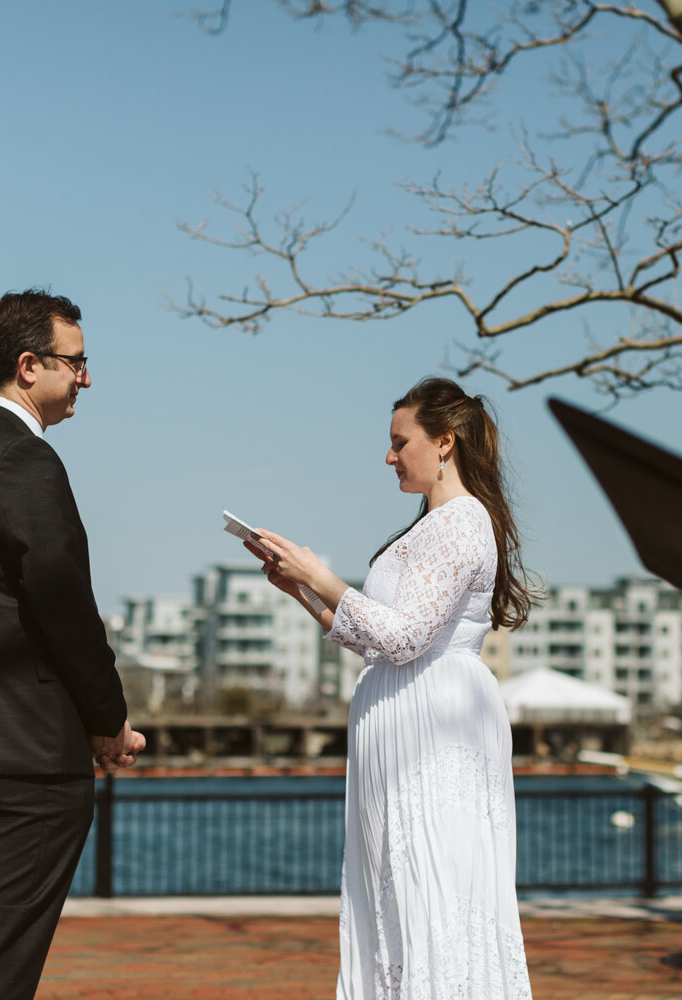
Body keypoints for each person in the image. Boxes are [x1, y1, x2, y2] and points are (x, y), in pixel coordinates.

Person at [249, 377, 537, 999]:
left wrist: (323, 577)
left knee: (434, 888)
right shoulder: (428, 526)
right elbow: (377, 638)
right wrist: (300, 591)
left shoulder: (462, 523)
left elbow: (406, 639)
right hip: (402, 722)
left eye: (399, 442)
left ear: (444, 443)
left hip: (436, 724)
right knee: (398, 900)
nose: (388, 456)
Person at [0, 290, 146, 1000]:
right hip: (33, 756)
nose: (86, 377)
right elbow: (64, 607)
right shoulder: (24, 461)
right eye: (75, 362)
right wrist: (108, 720)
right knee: (1, 966)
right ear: (27, 367)